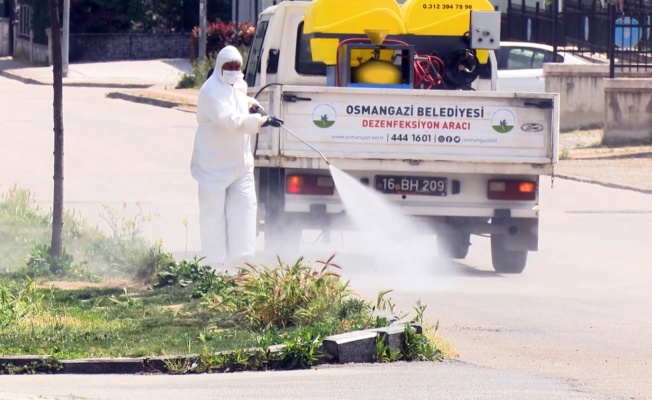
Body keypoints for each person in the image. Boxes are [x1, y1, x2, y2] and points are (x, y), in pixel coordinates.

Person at [190, 45, 280, 270]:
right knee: (213, 216)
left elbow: (240, 101)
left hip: (241, 165)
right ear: (220, 68)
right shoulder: (209, 91)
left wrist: (256, 107)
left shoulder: (239, 85)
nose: (233, 71)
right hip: (213, 166)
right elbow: (228, 120)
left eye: (236, 67)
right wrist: (260, 122)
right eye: (228, 67)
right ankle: (212, 265)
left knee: (245, 210)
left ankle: (243, 263)